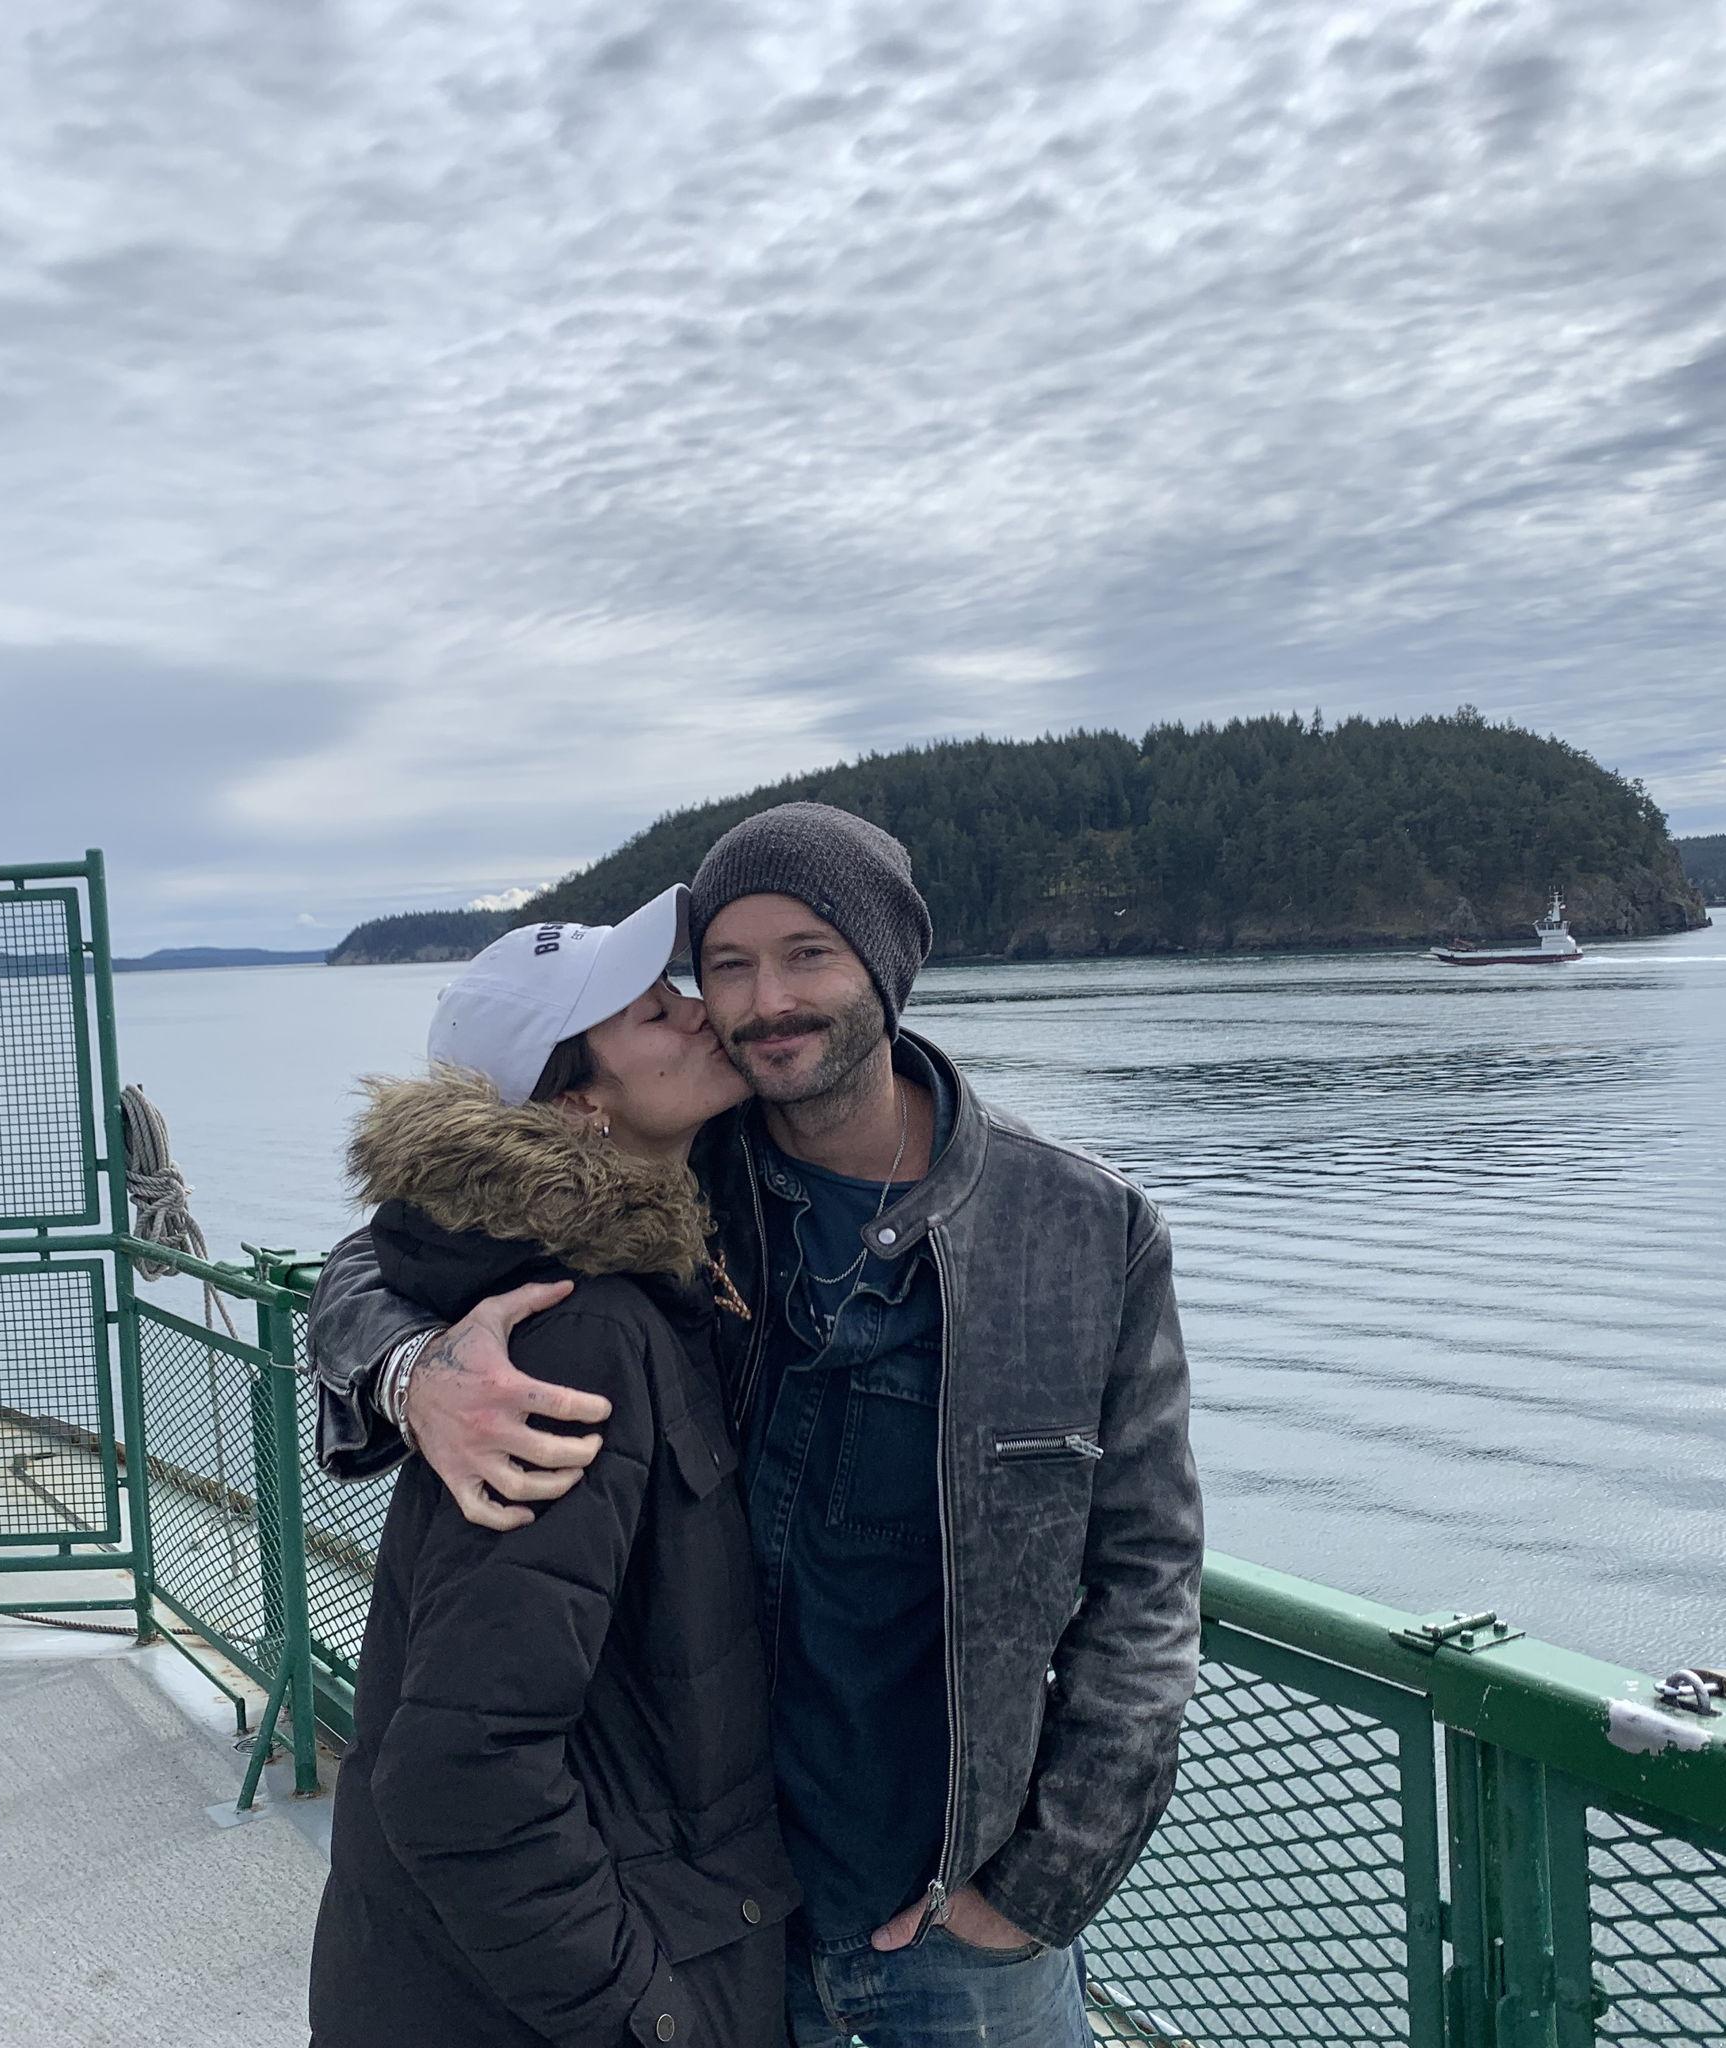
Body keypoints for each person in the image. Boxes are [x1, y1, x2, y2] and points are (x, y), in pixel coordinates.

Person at [310, 804, 1204, 2048]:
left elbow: (1147, 1574)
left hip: (956, 1926)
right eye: (724, 965)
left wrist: (1043, 1880)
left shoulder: (1080, 1228)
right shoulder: (667, 1186)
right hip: (712, 1912)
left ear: (885, 963)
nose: (762, 999)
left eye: (807, 953)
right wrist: (414, 1372)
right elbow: (398, 1244)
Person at [308, 884, 796, 2048]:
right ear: (576, 1101)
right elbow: (459, 1768)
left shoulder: (643, 1245)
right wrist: (651, 2017)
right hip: (528, 1996)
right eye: (647, 1011)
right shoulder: (570, 1335)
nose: (695, 1012)